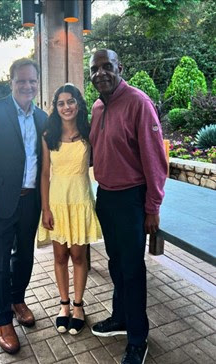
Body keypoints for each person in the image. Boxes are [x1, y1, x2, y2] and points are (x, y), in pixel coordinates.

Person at [89, 49, 167, 364]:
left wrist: (152, 207)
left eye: (107, 67)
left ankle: (138, 338)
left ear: (120, 67)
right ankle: (120, 317)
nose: (101, 73)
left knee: (132, 270)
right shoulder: (96, 107)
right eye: (95, 69)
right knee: (115, 263)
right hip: (105, 196)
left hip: (132, 200)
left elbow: (155, 161)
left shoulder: (139, 103)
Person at [0, 58, 47, 354]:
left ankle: (17, 300)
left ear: (37, 83)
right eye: (21, 80)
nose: (27, 86)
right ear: (11, 81)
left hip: (31, 201)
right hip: (0, 202)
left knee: (25, 256)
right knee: (0, 262)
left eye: (32, 81)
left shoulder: (42, 117)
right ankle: (2, 320)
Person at [37, 83, 101, 335]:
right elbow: (44, 174)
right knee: (60, 257)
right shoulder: (48, 135)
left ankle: (78, 306)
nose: (66, 107)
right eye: (61, 103)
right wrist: (45, 208)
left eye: (71, 101)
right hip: (57, 203)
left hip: (81, 199)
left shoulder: (89, 132)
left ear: (78, 104)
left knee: (78, 256)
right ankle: (63, 304)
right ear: (56, 107)